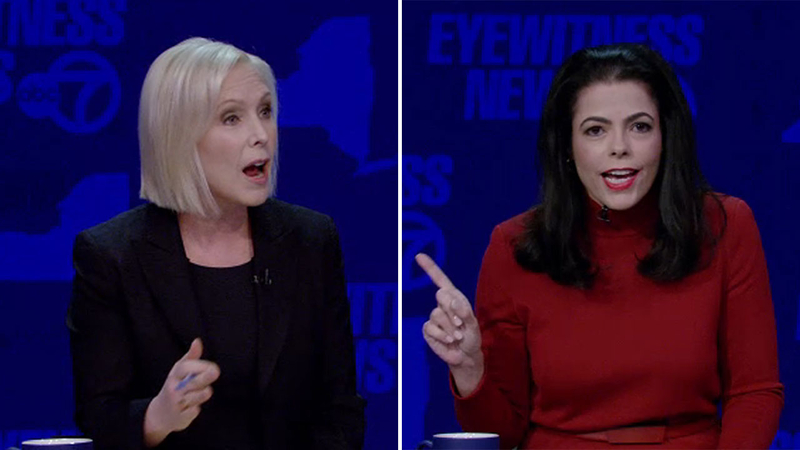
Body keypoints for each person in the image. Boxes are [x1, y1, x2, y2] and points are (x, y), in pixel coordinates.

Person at [418, 43, 783, 449]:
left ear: (666, 136)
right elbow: (504, 433)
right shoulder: (515, 246)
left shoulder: (724, 226)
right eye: (596, 130)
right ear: (567, 146)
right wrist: (471, 368)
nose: (619, 147)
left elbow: (754, 392)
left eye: (640, 126)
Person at [67, 37, 365, 450]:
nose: (261, 135)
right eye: (231, 118)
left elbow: (339, 411)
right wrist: (158, 416)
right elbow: (100, 419)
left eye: (265, 111)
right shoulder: (112, 256)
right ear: (178, 136)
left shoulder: (311, 240)